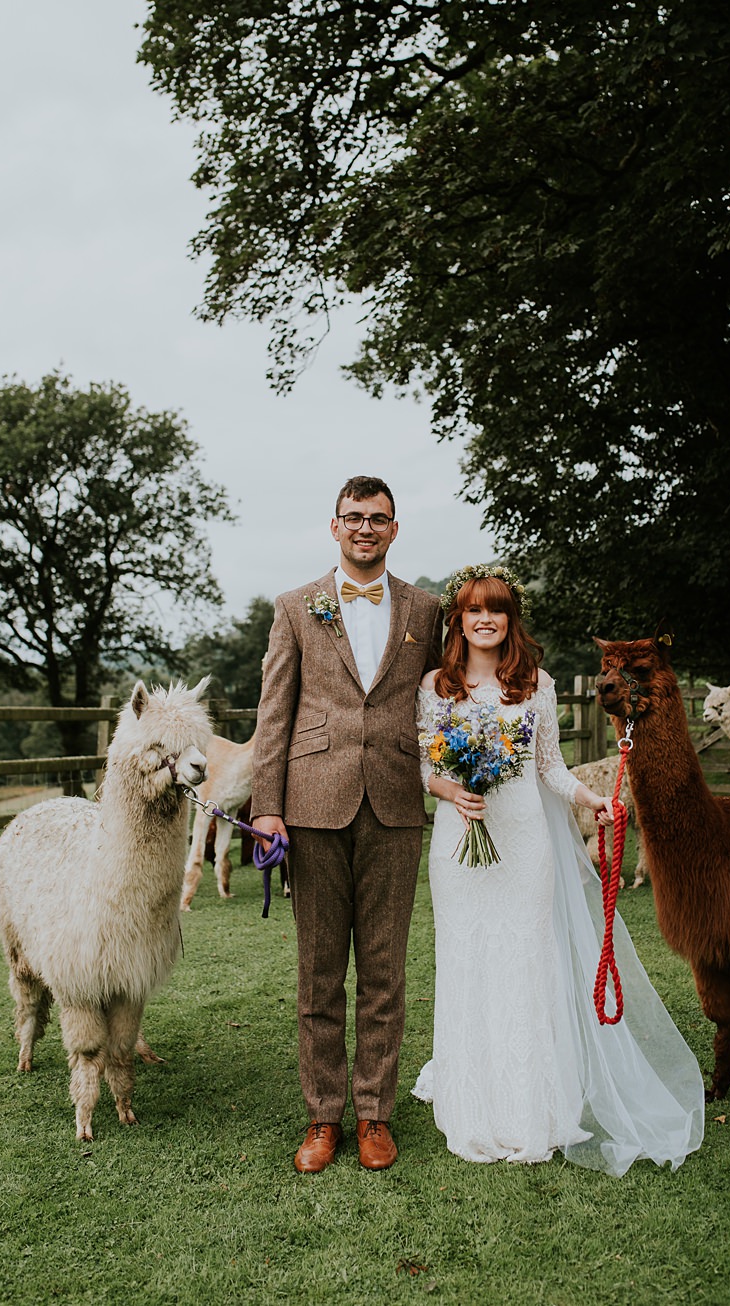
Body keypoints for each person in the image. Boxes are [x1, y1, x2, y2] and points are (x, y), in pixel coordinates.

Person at [413, 564, 705, 1174]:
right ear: (459, 621)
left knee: (525, 960)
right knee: (467, 958)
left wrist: (591, 800)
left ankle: (530, 1105)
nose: (485, 619)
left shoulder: (536, 685)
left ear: (510, 619)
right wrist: (449, 789)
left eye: (496, 609)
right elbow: (424, 769)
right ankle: (474, 1102)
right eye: (473, 610)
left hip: (523, 841)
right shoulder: (436, 687)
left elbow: (549, 768)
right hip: (458, 841)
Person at [251, 476, 444, 1173]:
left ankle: (374, 1116)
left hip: (395, 804)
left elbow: (442, 703)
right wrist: (266, 805)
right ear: (335, 527)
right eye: (355, 518)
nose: (366, 528)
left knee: (387, 972)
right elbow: (274, 713)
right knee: (319, 974)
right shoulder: (297, 607)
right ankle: (322, 1118)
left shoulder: (428, 608)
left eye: (379, 519)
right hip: (312, 806)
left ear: (394, 530)